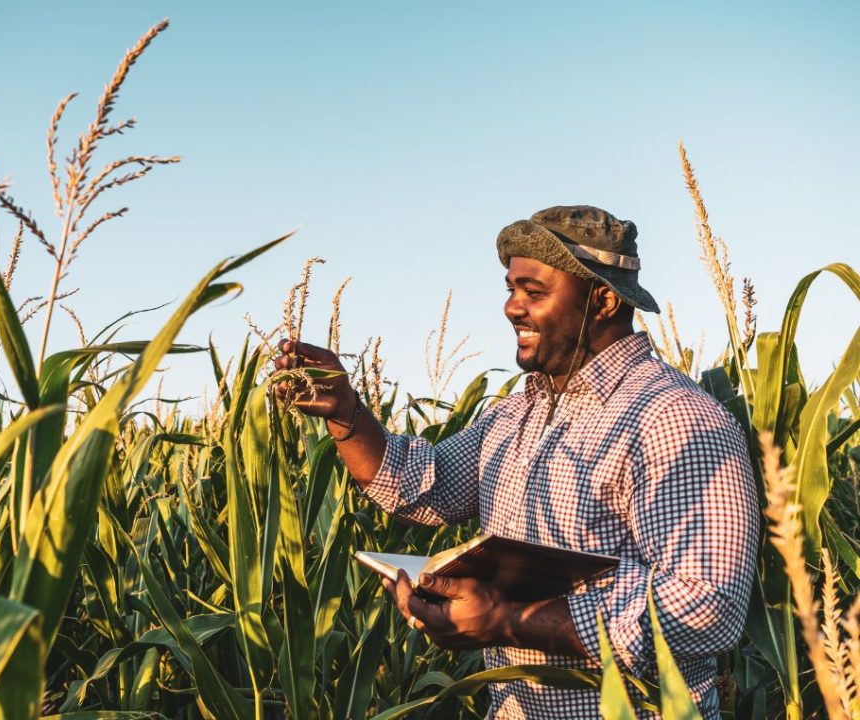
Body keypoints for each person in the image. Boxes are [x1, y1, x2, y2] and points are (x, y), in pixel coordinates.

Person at [273, 205, 759, 719]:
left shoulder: (675, 419)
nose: (511, 307)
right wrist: (346, 411)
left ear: (603, 299)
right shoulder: (515, 414)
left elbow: (710, 607)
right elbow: (422, 486)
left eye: (534, 291)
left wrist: (510, 619)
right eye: (510, 289)